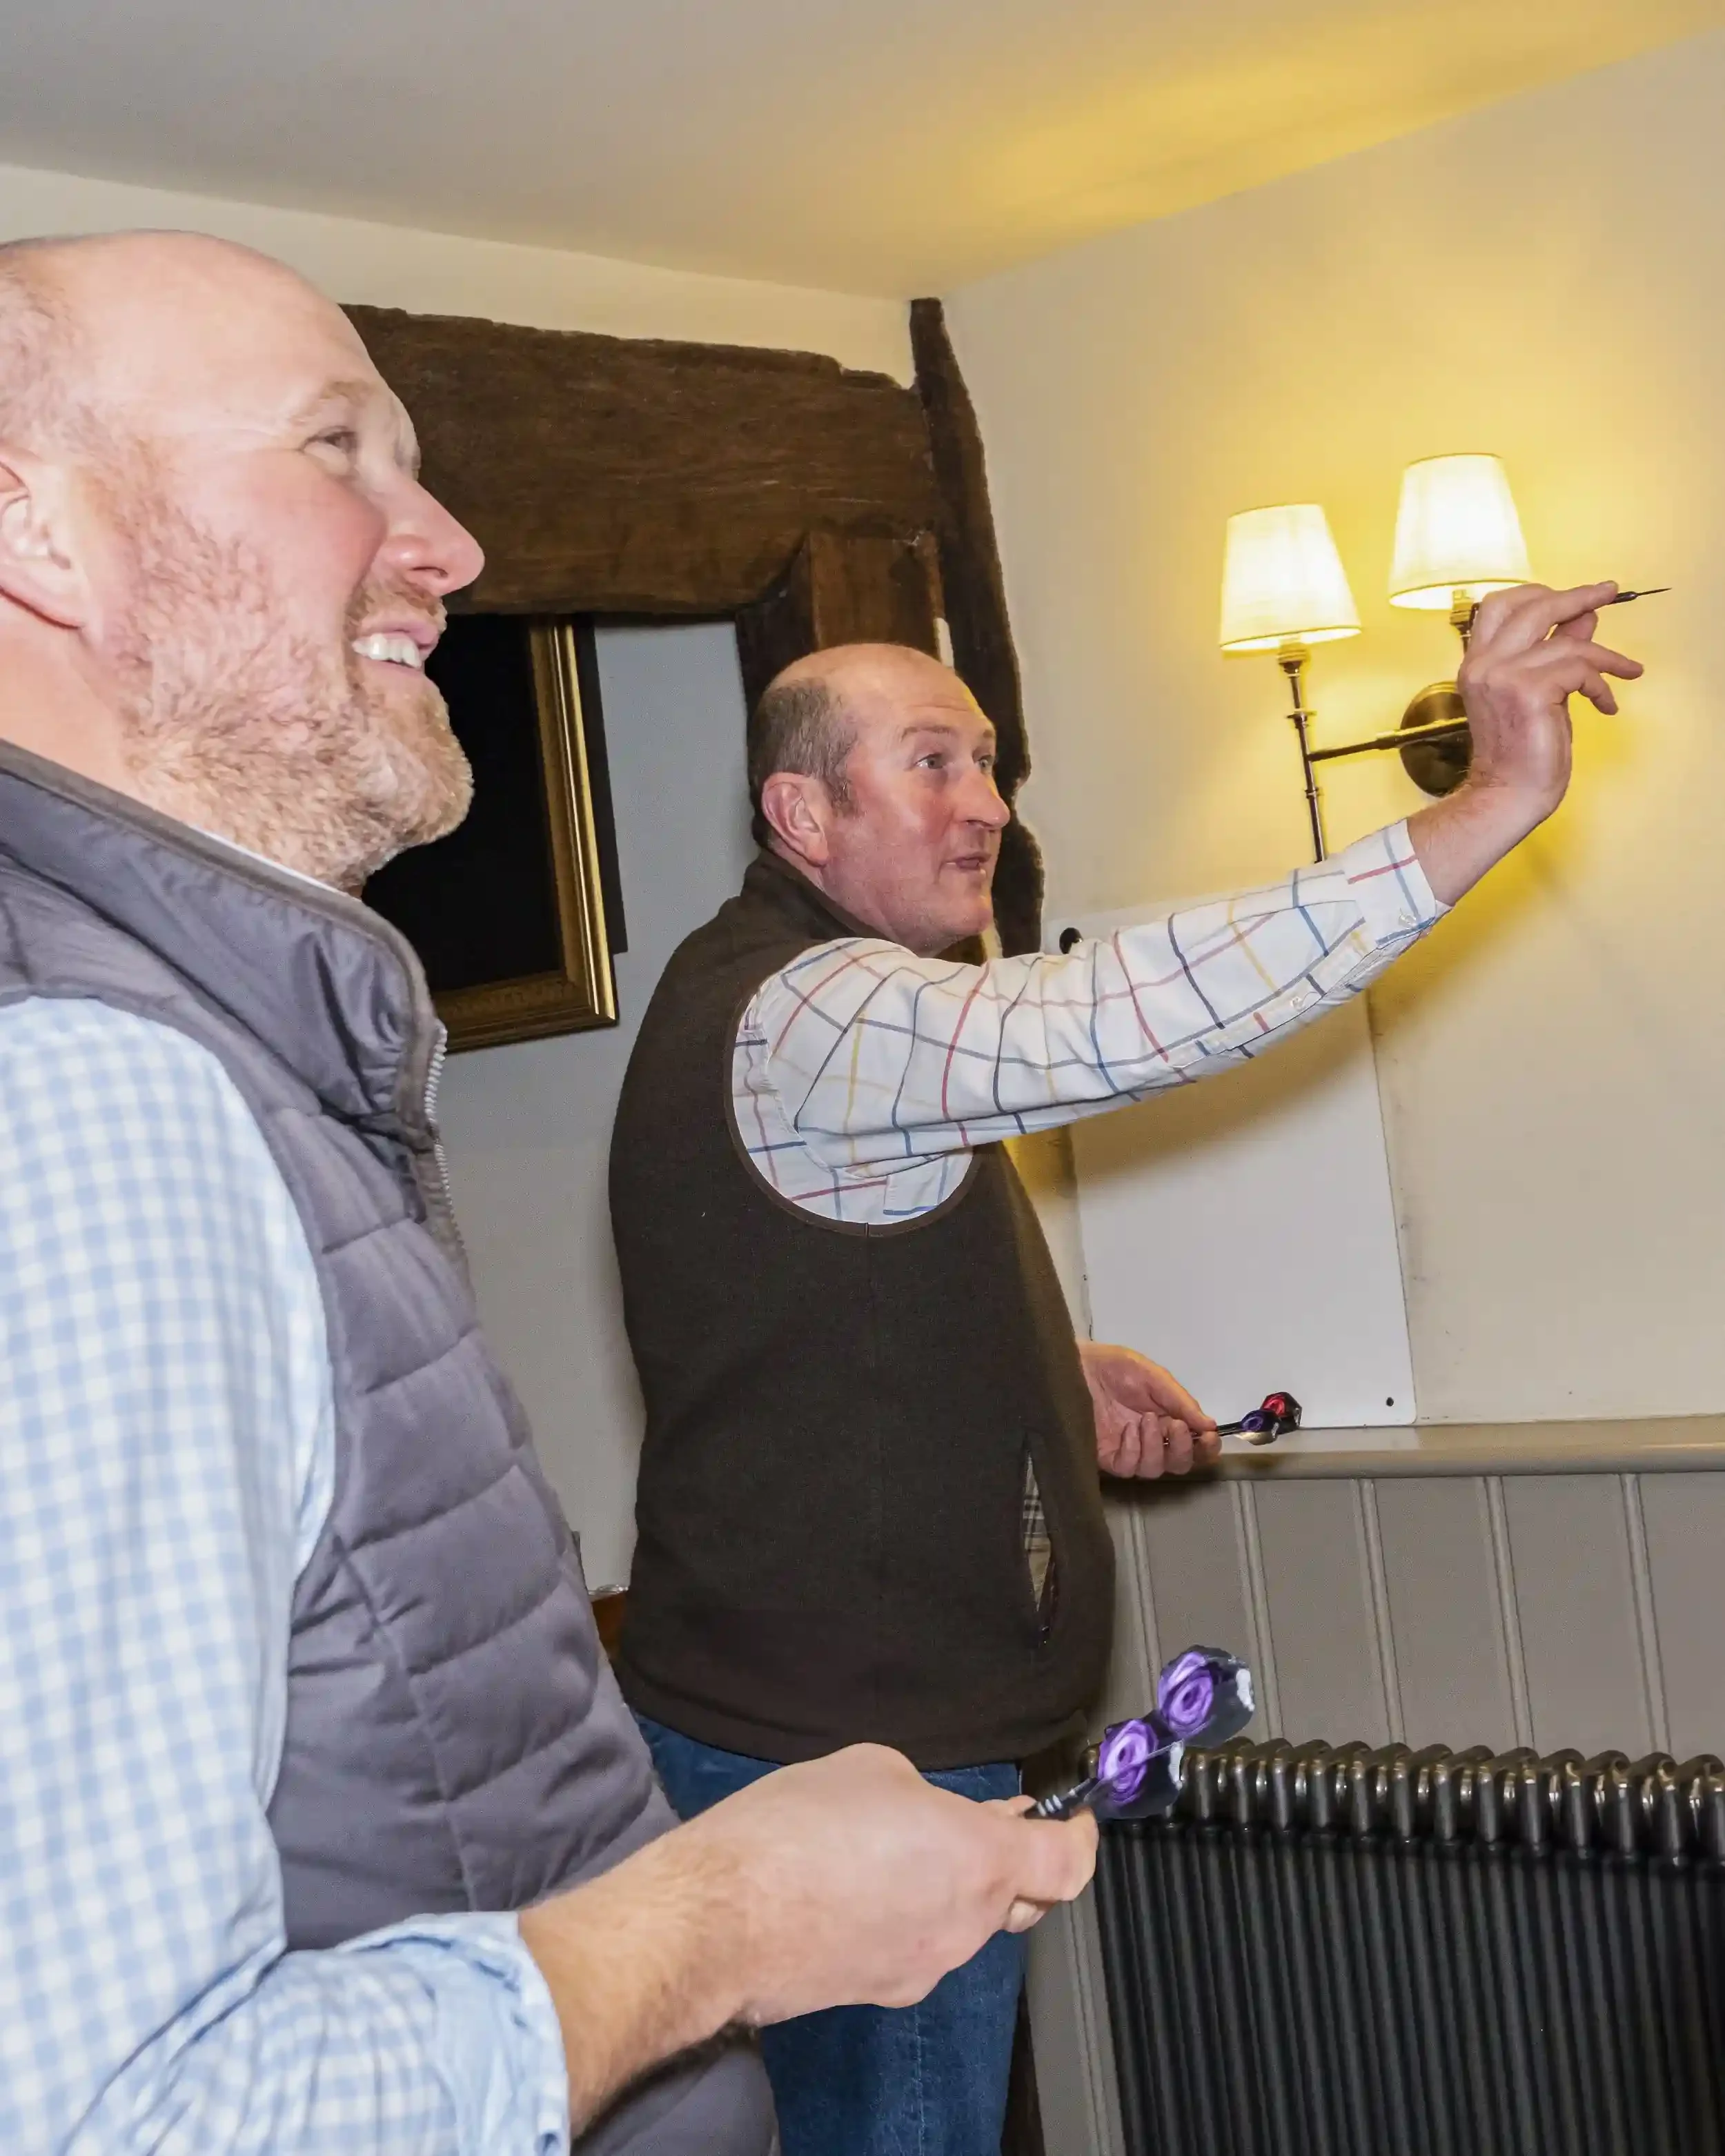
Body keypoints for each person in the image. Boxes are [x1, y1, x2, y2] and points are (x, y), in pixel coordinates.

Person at [0, 230, 1101, 2156]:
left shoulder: (215, 1053)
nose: (446, 542)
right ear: (42, 534)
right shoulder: (95, 1090)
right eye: (335, 449)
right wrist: (735, 1914)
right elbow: (108, 2113)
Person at [609, 598, 1639, 2152]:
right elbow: (1118, 1013)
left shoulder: (791, 996)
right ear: (801, 812)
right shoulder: (815, 1007)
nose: (986, 805)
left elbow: (818, 1296)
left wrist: (1038, 1370)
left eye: (991, 762)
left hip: (831, 1740)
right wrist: (1485, 799)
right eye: (933, 763)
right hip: (849, 1758)